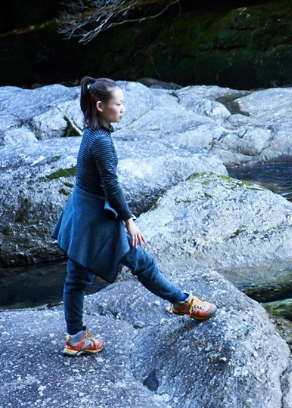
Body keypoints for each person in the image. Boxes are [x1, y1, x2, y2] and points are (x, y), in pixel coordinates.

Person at [52, 77, 217, 357]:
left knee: (77, 277)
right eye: (119, 104)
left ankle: (76, 337)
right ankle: (183, 302)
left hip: (82, 211)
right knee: (141, 261)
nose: (123, 109)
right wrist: (129, 220)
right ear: (101, 106)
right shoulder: (101, 142)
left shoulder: (92, 131)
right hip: (95, 218)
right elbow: (111, 185)